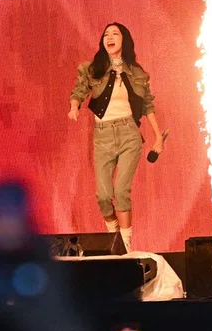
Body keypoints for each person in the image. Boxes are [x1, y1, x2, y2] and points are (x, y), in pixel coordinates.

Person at [69, 23, 163, 253]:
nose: (109, 38)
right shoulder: (93, 69)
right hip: (103, 135)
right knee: (103, 196)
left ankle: (126, 243)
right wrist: (74, 106)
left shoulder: (137, 72)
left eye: (115, 34)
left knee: (121, 191)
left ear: (124, 40)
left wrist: (158, 137)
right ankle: (114, 234)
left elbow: (148, 105)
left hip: (129, 132)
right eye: (106, 34)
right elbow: (79, 90)